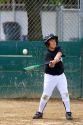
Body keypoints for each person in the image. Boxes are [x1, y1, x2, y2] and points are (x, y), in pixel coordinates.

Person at [33, 34, 73, 120]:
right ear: (47, 43)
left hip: (61, 76)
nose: (54, 42)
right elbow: (51, 66)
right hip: (50, 77)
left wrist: (54, 60)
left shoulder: (59, 48)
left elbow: (59, 54)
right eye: (51, 41)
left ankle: (68, 112)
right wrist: (52, 64)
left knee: (65, 93)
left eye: (54, 40)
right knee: (46, 95)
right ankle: (39, 112)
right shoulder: (47, 54)